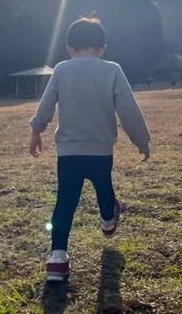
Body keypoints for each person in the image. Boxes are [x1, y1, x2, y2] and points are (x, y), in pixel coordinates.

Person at [29, 17, 151, 282]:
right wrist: (142, 140)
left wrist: (37, 131)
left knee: (65, 202)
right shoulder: (113, 70)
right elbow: (129, 110)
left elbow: (46, 103)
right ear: (102, 48)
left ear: (70, 47)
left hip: (68, 152)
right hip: (100, 150)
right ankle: (108, 220)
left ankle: (57, 259)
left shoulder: (61, 69)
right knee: (104, 187)